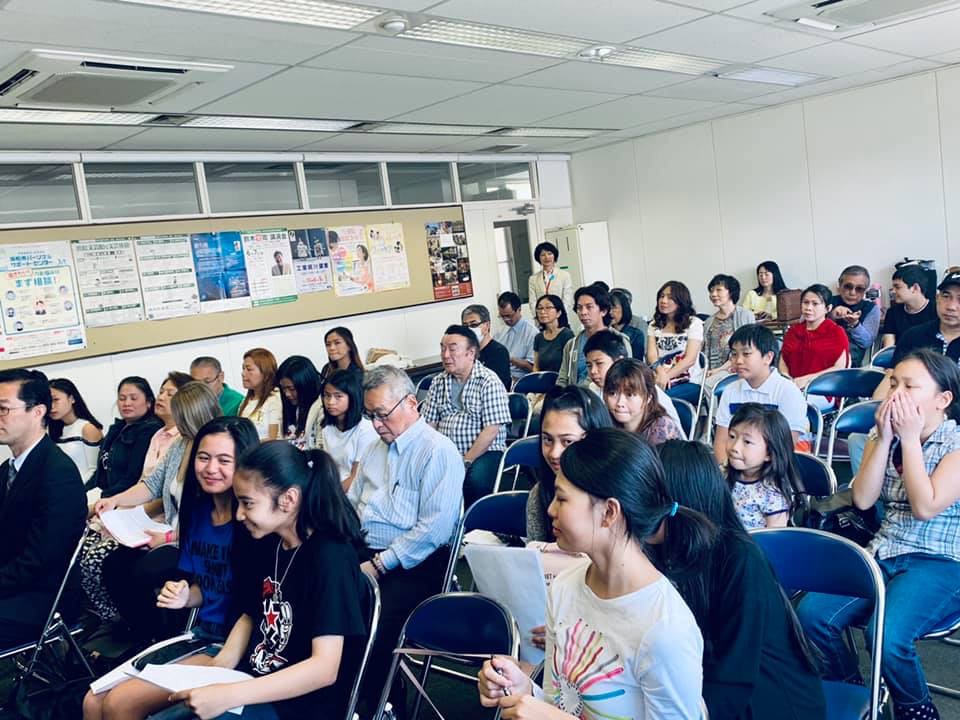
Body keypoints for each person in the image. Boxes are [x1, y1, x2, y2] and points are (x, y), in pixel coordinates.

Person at [478, 428, 706, 719]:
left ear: (609, 512)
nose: (550, 509)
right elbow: (562, 703)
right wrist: (525, 691)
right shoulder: (565, 587)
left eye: (562, 499)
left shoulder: (665, 629)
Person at [798, 350, 960, 720]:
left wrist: (910, 440)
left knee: (884, 636)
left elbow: (925, 506)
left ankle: (916, 711)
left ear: (942, 399)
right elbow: (863, 498)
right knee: (812, 616)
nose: (895, 394)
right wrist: (885, 439)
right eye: (894, 383)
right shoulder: (882, 435)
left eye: (910, 386)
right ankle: (857, 696)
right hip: (884, 552)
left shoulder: (955, 445)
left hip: (941, 561)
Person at [162, 441, 367, 720]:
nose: (239, 514)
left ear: (288, 499)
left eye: (247, 503)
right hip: (253, 680)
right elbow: (251, 614)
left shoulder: (331, 556)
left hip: (299, 705)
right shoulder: (269, 542)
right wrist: (220, 666)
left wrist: (229, 694)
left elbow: (324, 669)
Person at [82, 416, 261, 720]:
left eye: (224, 460)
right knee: (92, 701)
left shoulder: (254, 521)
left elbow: (254, 603)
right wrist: (185, 595)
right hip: (202, 633)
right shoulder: (198, 510)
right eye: (203, 457)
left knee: (119, 704)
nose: (211, 468)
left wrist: (224, 656)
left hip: (236, 644)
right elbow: (206, 586)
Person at [657, 440, 826, 719]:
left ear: (678, 500)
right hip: (714, 683)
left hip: (769, 698)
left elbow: (733, 673)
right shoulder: (668, 549)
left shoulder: (740, 559)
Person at [349, 365, 464, 712]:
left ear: (411, 403)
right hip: (366, 550)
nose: (376, 424)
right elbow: (351, 503)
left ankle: (378, 708)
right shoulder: (374, 449)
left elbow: (434, 530)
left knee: (371, 628)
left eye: (382, 414)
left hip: (415, 563)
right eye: (370, 415)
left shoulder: (437, 451)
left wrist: (379, 564)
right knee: (323, 604)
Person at [96, 382, 221, 642]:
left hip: (189, 541)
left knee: (143, 573)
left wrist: (167, 538)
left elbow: (210, 519)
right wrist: (115, 501)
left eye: (181, 417)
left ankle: (162, 634)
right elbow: (151, 485)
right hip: (169, 533)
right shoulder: (180, 444)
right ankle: (145, 633)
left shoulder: (212, 452)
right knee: (113, 565)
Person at [0, 369, 86, 646]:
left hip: (41, 598)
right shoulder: (8, 469)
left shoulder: (57, 473)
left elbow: (40, 561)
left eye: (3, 409)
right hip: (14, 585)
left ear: (37, 412)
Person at [422, 324, 511, 509]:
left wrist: (466, 460)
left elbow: (491, 430)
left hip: (484, 452)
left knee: (475, 482)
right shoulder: (438, 382)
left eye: (452, 349)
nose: (445, 355)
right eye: (443, 349)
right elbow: (429, 424)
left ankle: (473, 523)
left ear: (470, 353)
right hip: (446, 452)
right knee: (421, 476)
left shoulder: (488, 381)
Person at [526, 385, 613, 543]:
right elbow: (538, 552)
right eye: (548, 439)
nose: (554, 453)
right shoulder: (540, 495)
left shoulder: (619, 492)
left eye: (567, 441)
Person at [713, 324, 808, 462]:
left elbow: (785, 448)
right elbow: (721, 442)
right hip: (735, 466)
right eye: (734, 354)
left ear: (768, 357)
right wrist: (725, 470)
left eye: (746, 354)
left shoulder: (788, 392)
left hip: (775, 467)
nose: (738, 361)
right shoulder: (730, 391)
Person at [724, 404, 800, 530]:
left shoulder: (773, 495)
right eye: (732, 436)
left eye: (747, 442)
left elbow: (774, 538)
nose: (734, 447)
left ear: (769, 453)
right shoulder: (723, 473)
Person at [89, 376, 164, 501]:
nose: (127, 403)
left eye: (133, 398)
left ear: (149, 402)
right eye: (122, 398)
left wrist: (103, 499)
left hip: (125, 499)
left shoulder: (150, 430)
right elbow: (100, 471)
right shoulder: (116, 429)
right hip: (104, 494)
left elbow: (133, 478)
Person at [779, 284, 849, 409]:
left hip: (822, 390)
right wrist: (787, 378)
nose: (808, 308)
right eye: (805, 303)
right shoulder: (793, 331)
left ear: (828, 308)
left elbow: (839, 368)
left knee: (791, 404)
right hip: (792, 386)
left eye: (815, 304)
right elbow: (783, 360)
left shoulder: (836, 332)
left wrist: (806, 380)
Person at [312, 369, 377, 491]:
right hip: (334, 487)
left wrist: (331, 495)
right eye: (327, 395)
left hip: (355, 492)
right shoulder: (327, 428)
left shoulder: (365, 430)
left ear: (352, 397)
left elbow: (356, 478)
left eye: (338, 396)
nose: (330, 402)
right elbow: (329, 468)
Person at [557, 284, 631, 388]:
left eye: (589, 307)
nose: (583, 312)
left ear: (603, 311)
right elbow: (562, 378)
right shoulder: (572, 344)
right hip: (573, 395)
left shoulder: (619, 340)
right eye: (579, 308)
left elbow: (626, 374)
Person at [603, 358, 683, 445]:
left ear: (648, 397)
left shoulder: (660, 429)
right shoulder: (605, 421)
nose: (619, 403)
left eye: (629, 394)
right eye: (613, 393)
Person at [647, 280, 704, 389]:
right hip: (660, 376)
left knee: (661, 397)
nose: (663, 301)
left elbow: (690, 359)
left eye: (670, 298)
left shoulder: (694, 323)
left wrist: (667, 376)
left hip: (689, 380)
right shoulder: (654, 325)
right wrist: (661, 374)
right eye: (662, 296)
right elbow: (652, 356)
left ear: (681, 301)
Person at [703, 274, 755, 388]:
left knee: (706, 386)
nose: (713, 294)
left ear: (730, 292)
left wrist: (719, 370)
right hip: (711, 371)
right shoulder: (709, 321)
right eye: (711, 291)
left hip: (735, 370)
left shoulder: (745, 316)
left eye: (718, 290)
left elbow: (747, 348)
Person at [48, 378, 103, 485]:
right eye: (48, 401)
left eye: (56, 400)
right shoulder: (53, 431)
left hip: (87, 490)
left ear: (72, 398)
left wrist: (74, 490)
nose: (52, 406)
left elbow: (95, 470)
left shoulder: (87, 428)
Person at [830, 265, 880, 367]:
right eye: (848, 286)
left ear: (865, 290)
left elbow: (866, 342)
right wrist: (831, 316)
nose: (852, 293)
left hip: (850, 364)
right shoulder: (827, 301)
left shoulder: (871, 308)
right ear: (840, 285)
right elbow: (807, 328)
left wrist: (855, 324)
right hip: (820, 358)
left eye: (859, 289)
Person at [881, 264, 938, 348]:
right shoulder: (892, 312)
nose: (893, 291)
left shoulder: (937, 310)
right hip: (901, 355)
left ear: (915, 288)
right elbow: (888, 348)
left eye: (897, 287)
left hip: (930, 355)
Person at [462, 304, 511, 390]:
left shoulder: (499, 352)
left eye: (474, 325)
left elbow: (499, 387)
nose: (469, 329)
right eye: (465, 326)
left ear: (487, 325)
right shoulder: (465, 353)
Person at [276, 355, 322, 447]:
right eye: (283, 388)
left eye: (292, 389)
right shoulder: (288, 405)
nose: (287, 394)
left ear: (306, 385)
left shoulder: (321, 409)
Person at [238, 348, 282, 440]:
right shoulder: (245, 401)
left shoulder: (274, 398)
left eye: (249, 369)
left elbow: (272, 439)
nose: (243, 373)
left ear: (266, 373)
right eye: (243, 368)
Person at [495, 291, 537, 384]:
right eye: (502, 316)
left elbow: (532, 368)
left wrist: (508, 358)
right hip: (500, 377)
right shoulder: (500, 331)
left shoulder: (532, 333)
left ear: (519, 309)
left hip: (521, 380)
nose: (506, 320)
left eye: (509, 316)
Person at [527, 241, 573, 316]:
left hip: (560, 317)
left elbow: (567, 299)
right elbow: (532, 302)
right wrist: (538, 316)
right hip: (541, 317)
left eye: (549, 253)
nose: (547, 257)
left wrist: (559, 315)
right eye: (543, 255)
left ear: (554, 256)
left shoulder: (564, 275)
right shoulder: (533, 279)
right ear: (538, 258)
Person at [532, 294, 574, 373]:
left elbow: (571, 365)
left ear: (558, 313)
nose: (542, 311)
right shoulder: (538, 337)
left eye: (548, 307)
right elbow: (536, 367)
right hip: (544, 379)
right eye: (540, 308)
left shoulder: (566, 334)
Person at [609, 287, 646, 358]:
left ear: (624, 308)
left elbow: (637, 361)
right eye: (608, 308)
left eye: (614, 307)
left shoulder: (636, 334)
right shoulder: (604, 332)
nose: (610, 312)